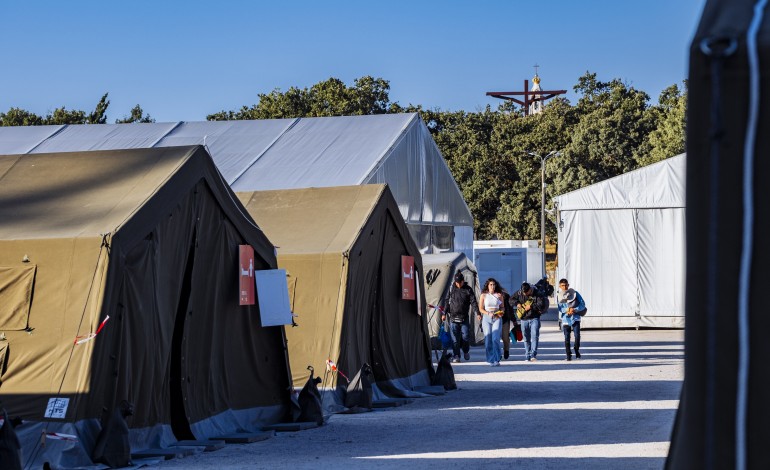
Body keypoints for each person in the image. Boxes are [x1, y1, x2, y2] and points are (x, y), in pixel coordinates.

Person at [441, 271, 479, 363]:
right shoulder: (451, 289)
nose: (458, 284)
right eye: (456, 283)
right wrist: (444, 313)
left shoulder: (468, 289)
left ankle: (466, 350)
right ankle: (456, 355)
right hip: (453, 318)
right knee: (455, 339)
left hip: (464, 318)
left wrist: (477, 313)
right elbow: (446, 302)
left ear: (463, 281)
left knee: (465, 337)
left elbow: (473, 302)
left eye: (459, 282)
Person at [510, 282, 547, 361]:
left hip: (535, 318)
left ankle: (533, 354)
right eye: (524, 293)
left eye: (527, 292)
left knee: (534, 336)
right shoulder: (519, 293)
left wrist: (531, 307)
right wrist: (517, 303)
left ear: (530, 289)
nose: (526, 294)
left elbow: (541, 304)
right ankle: (527, 354)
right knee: (526, 338)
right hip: (524, 319)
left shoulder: (537, 293)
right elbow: (511, 300)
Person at [557, 278, 586, 361]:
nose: (564, 287)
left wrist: (575, 309)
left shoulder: (575, 293)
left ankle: (576, 350)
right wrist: (567, 310)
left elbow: (582, 303)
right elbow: (560, 308)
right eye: (562, 285)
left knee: (577, 336)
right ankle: (568, 354)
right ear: (560, 286)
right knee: (567, 337)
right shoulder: (559, 296)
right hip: (566, 319)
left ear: (568, 285)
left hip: (575, 317)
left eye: (566, 285)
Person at [478, 278, 505, 366]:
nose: (492, 286)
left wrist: (501, 312)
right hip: (487, 318)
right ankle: (490, 359)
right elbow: (481, 309)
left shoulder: (499, 295)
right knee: (488, 338)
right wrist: (487, 313)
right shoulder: (484, 295)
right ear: (488, 286)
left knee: (495, 338)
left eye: (494, 285)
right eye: (491, 285)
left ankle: (497, 358)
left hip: (497, 317)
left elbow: (502, 307)